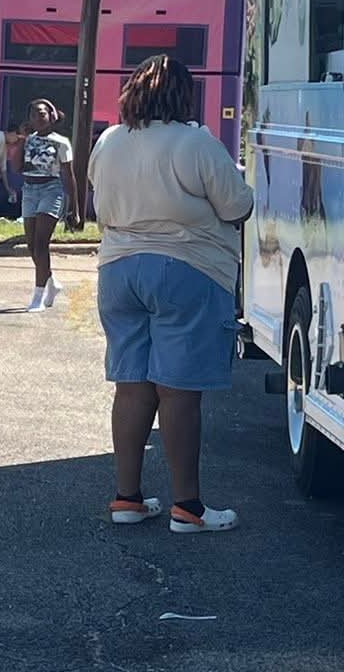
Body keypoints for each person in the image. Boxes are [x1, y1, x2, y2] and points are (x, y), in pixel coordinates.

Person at [88, 56, 252, 534]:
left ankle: (127, 498)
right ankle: (188, 507)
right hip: (186, 269)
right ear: (183, 95)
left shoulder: (110, 140)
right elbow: (237, 205)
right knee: (178, 391)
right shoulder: (196, 142)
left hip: (118, 269)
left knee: (133, 386)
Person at [18, 99, 78, 312]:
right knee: (31, 246)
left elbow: (69, 176)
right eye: (33, 114)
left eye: (42, 114)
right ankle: (51, 283)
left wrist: (74, 209)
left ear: (52, 116)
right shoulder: (28, 140)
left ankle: (38, 296)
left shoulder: (61, 142)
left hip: (50, 190)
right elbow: (17, 166)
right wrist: (21, 140)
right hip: (29, 190)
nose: (37, 118)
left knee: (41, 243)